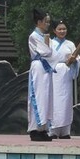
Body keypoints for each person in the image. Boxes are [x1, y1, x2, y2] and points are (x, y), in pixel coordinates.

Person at [50, 19, 80, 140]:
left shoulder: (70, 44)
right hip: (54, 73)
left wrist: (74, 60)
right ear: (54, 30)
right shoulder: (50, 43)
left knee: (66, 100)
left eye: (64, 29)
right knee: (54, 100)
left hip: (66, 72)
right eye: (59, 29)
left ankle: (65, 130)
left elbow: (77, 58)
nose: (62, 31)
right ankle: (53, 129)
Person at [27, 9, 54, 141]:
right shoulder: (33, 36)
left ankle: (43, 128)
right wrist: (48, 46)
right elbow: (46, 52)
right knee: (37, 97)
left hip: (46, 68)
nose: (48, 24)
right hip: (38, 66)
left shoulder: (45, 36)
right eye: (46, 21)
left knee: (46, 97)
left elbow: (52, 53)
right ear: (39, 22)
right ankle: (35, 128)